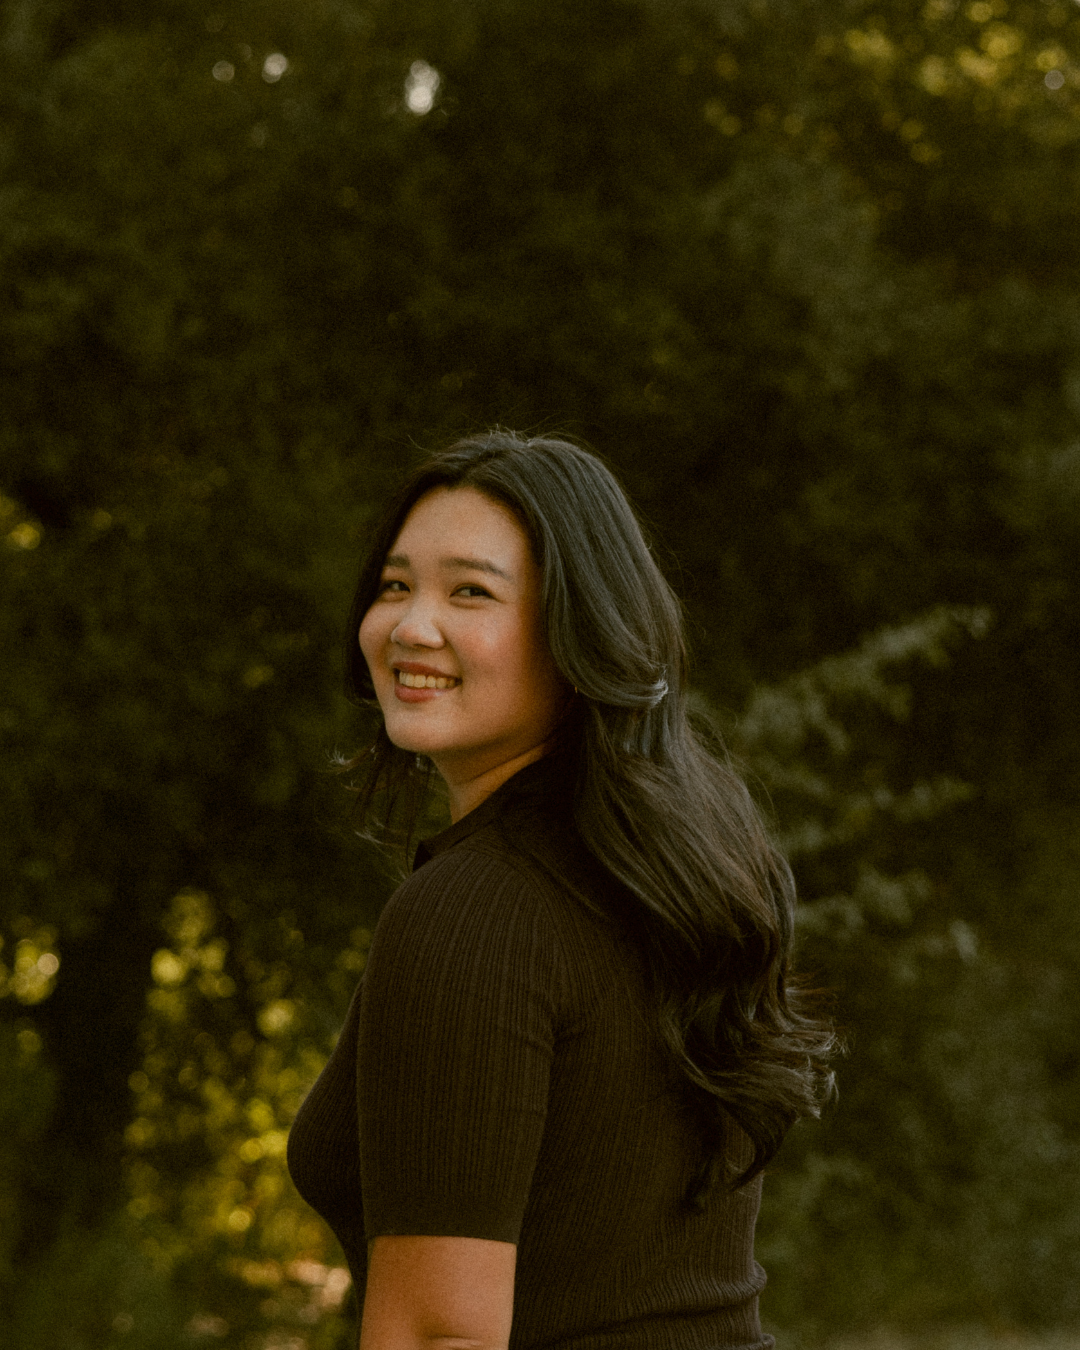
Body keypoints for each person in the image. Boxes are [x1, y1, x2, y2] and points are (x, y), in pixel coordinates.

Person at [287, 431, 836, 1350]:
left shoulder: (474, 911)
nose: (411, 626)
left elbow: (439, 1335)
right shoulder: (679, 870)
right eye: (394, 585)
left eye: (471, 592)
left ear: (579, 631)